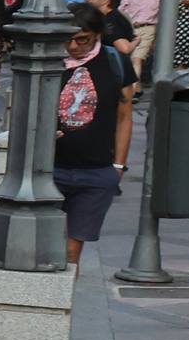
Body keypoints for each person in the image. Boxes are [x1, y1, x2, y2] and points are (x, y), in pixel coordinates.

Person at [54, 15, 136, 265]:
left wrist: (118, 166)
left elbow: (124, 117)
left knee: (71, 252)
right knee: (45, 246)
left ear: (97, 35)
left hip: (95, 171)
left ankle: (64, 301)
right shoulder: (49, 61)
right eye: (68, 40)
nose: (74, 46)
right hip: (50, 169)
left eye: (82, 40)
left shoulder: (114, 61)